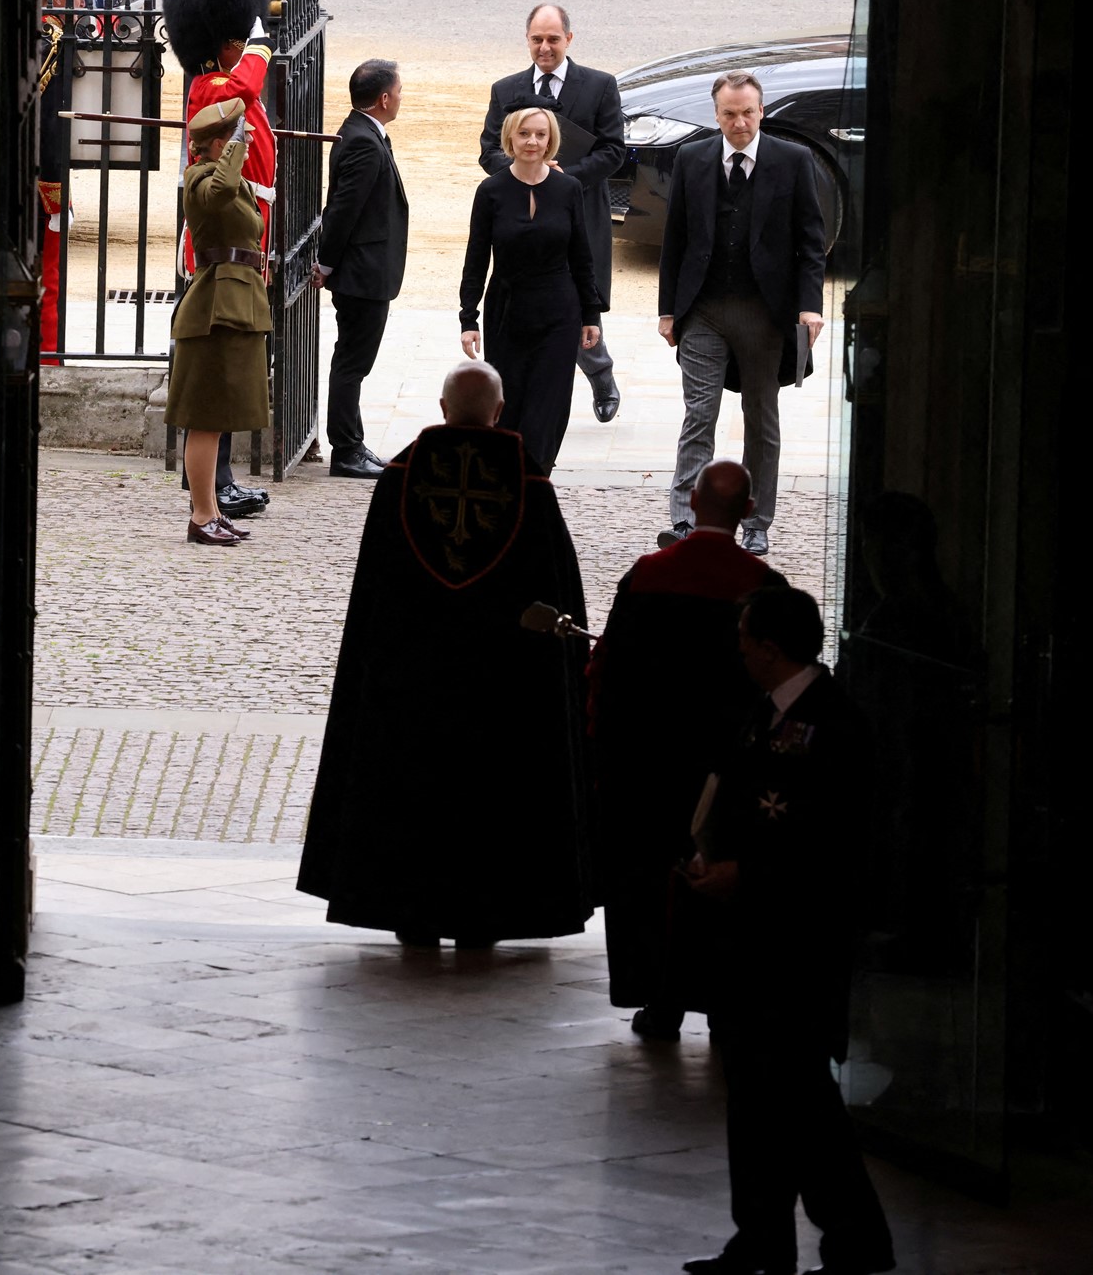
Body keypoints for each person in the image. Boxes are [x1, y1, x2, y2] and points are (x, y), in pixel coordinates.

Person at [297, 360, 594, 945]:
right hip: (501, 682)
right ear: (499, 411)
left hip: (410, 679)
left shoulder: (398, 481)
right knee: (493, 799)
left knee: (413, 792)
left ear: (440, 408)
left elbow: (375, 590)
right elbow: (555, 592)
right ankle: (488, 914)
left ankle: (409, 909)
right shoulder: (529, 485)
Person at [678, 587, 894, 1275]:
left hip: (799, 944)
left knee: (800, 1099)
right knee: (755, 1097)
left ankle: (856, 1238)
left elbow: (831, 846)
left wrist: (749, 875)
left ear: (771, 648)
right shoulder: (765, 716)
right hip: (750, 942)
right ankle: (762, 1235)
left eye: (745, 637)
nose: (737, 648)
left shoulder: (835, 727)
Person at [585, 461, 785, 1042]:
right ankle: (725, 1001)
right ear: (748, 511)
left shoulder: (649, 576)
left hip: (649, 765)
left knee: (650, 879)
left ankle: (659, 998)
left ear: (692, 502)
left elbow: (607, 672)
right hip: (729, 772)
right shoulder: (763, 588)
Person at [658, 71, 827, 557]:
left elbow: (811, 242)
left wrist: (808, 305)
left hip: (764, 311)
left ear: (762, 110)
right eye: (729, 114)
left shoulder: (793, 160)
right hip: (704, 309)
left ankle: (756, 521)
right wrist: (669, 310)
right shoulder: (692, 158)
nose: (739, 122)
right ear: (715, 115)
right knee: (699, 414)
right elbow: (675, 240)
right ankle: (686, 520)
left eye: (747, 112)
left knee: (761, 416)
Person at [164, 0, 275, 520]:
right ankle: (214, 483)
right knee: (217, 378)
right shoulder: (212, 88)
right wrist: (255, 51)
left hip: (245, 242)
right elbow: (246, 91)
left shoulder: (224, 85)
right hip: (217, 253)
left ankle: (221, 481)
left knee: (232, 376)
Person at [479, 2, 628, 424]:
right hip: (519, 218)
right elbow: (488, 149)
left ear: (569, 39)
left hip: (576, 212)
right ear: (527, 40)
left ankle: (600, 375)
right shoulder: (505, 90)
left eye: (553, 40)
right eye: (537, 40)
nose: (545, 48)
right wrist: (522, 174)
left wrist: (561, 179)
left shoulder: (599, 86)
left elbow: (614, 151)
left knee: (576, 295)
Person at [458, 105, 604, 475]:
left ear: (551, 140)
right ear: (510, 137)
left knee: (549, 406)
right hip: (507, 310)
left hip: (559, 312)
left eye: (540, 134)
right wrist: (468, 318)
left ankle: (537, 479)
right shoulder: (490, 191)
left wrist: (591, 314)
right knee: (510, 403)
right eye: (524, 134)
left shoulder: (569, 188)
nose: (532, 141)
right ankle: (508, 479)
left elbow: (582, 256)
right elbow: (476, 258)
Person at [168, 97, 272, 547]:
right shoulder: (199, 180)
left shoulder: (229, 179)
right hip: (215, 307)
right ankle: (202, 515)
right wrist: (233, 149)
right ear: (215, 145)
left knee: (220, 415)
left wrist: (235, 146)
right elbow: (219, 193)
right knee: (205, 416)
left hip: (237, 301)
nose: (244, 145)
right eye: (234, 139)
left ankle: (209, 511)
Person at [311, 59, 409, 481]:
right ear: (385, 98)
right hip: (362, 275)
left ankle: (352, 442)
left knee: (353, 362)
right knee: (352, 363)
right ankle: (346, 449)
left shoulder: (364, 133)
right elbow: (343, 210)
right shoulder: (364, 142)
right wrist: (326, 263)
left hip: (366, 271)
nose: (401, 98)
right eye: (399, 91)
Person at [34, 0, 75, 365]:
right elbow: (50, 123)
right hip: (42, 183)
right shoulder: (54, 40)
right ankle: (48, 356)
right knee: (48, 276)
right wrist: (56, 192)